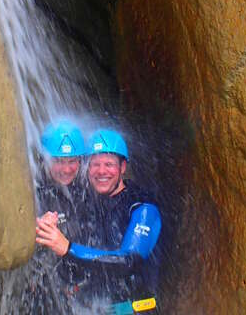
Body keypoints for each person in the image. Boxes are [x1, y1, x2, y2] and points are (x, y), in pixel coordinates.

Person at [36, 128, 162, 312]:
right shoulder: (87, 203)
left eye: (109, 164)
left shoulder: (142, 208)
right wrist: (45, 225)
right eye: (95, 164)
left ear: (123, 167)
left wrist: (68, 248)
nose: (101, 171)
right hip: (92, 308)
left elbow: (128, 262)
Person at [25, 120, 90, 314]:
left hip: (83, 286)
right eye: (58, 161)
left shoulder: (88, 188)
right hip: (46, 291)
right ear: (45, 159)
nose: (66, 169)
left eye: (72, 161)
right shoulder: (33, 191)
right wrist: (35, 228)